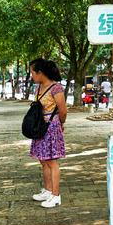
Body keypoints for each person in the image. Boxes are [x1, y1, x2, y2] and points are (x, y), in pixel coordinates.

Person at [29, 59, 67, 208]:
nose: (31, 75)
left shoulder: (56, 88)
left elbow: (63, 111)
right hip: (40, 127)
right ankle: (48, 190)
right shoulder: (37, 88)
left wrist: (60, 124)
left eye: (32, 72)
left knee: (52, 161)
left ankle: (56, 195)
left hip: (51, 127)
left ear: (40, 72)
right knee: (43, 160)